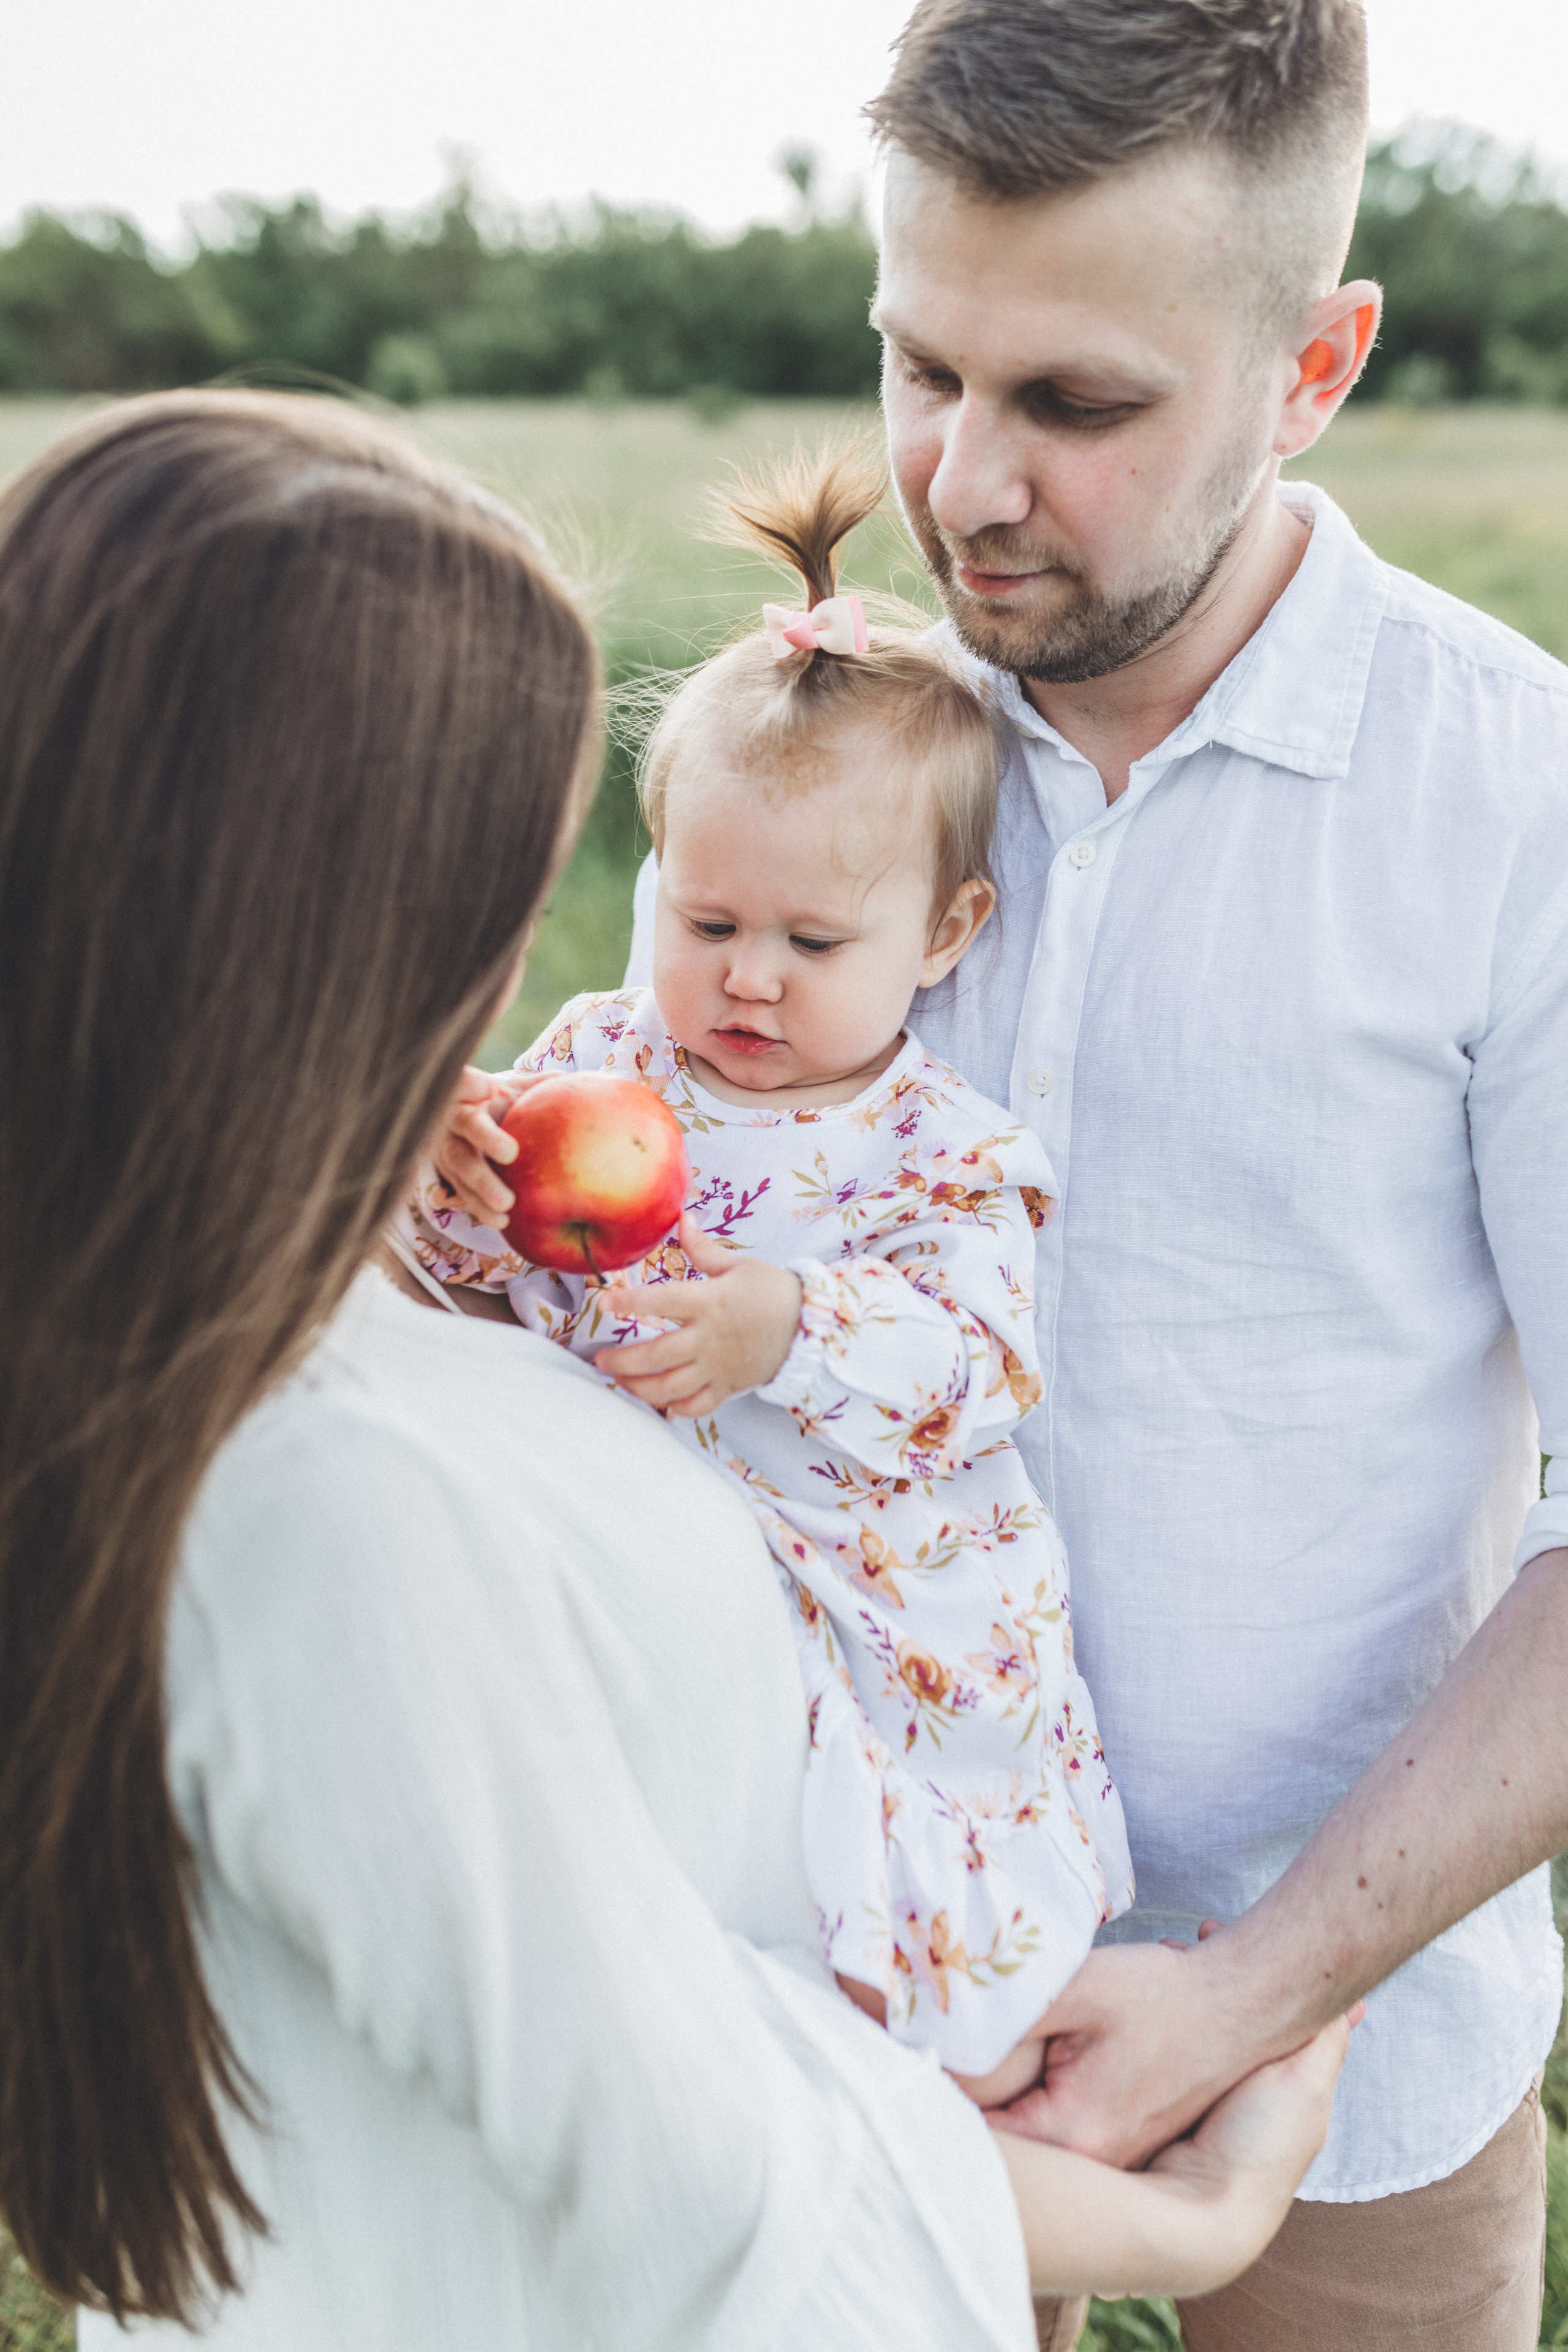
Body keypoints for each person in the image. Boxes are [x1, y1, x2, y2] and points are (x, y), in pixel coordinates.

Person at [0, 390, 1349, 2351]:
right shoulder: (329, 1503)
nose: (660, 980)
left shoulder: (201, 1341)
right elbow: (709, 2194)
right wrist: (1192, 2229)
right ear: (321, 945)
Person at [622, 1, 1568, 2346]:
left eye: (1077, 404)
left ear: (1316, 365)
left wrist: (1250, 1988)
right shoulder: (817, 766)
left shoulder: (1521, 808)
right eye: (920, 368)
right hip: (809, 1991)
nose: (961, 484)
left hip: (1355, 2040)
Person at [406, 443, 1134, 2109]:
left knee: (928, 1905)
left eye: (813, 944)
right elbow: (490, 1271)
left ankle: (957, 2129)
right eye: (705, 918)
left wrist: (787, 1326)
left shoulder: (939, 1144)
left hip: (882, 1590)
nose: (745, 980)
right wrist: (443, 1174)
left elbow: (982, 1360)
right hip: (668, 1587)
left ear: (943, 936)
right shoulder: (600, 1069)